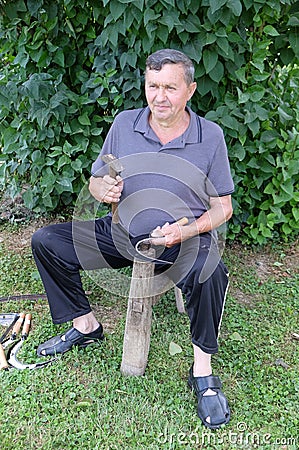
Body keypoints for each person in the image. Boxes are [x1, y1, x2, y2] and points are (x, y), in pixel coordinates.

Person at [32, 49, 234, 429]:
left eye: (170, 88)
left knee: (210, 270)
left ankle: (203, 373)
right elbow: (96, 179)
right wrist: (102, 189)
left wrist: (186, 231)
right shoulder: (126, 124)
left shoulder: (211, 137)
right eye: (152, 86)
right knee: (47, 241)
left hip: (180, 239)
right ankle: (85, 326)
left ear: (189, 90)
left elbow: (223, 207)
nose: (160, 97)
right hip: (121, 234)